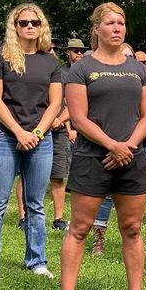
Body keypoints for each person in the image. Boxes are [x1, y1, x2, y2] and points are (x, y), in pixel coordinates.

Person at [59, 2, 146, 290]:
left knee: (132, 228)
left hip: (132, 158)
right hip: (92, 158)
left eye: (121, 23)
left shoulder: (139, 69)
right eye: (111, 23)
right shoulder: (81, 69)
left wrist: (126, 147)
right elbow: (79, 118)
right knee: (80, 227)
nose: (117, 28)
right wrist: (112, 145)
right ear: (97, 29)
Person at [0, 4, 62, 280]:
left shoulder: (50, 61)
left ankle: (36, 260)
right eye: (23, 23)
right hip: (4, 136)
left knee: (35, 203)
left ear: (41, 25)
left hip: (40, 139)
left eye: (34, 22)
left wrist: (35, 134)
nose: (29, 27)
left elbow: (56, 102)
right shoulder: (1, 58)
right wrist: (19, 132)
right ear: (15, 26)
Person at [49, 39, 84, 231]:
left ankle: (58, 219)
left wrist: (61, 122)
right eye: (76, 51)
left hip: (59, 128)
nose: (79, 54)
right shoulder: (59, 72)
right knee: (27, 176)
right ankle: (24, 218)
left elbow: (71, 103)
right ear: (69, 52)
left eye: (82, 51)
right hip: (38, 128)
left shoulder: (71, 74)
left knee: (59, 175)